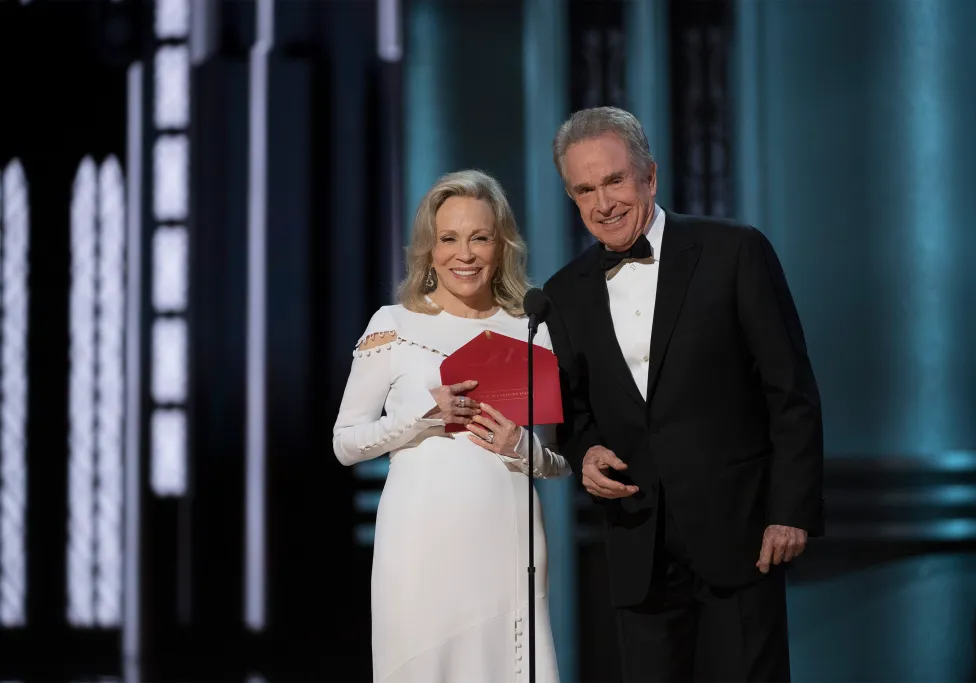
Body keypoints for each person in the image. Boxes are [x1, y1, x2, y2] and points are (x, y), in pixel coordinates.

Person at [542, 106, 824, 682]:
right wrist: (587, 452)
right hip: (637, 545)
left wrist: (788, 512)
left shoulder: (734, 251)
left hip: (742, 538)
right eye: (584, 189)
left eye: (615, 180)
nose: (603, 204)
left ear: (650, 175)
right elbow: (575, 413)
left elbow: (789, 391)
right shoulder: (563, 293)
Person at [332, 169, 569, 683]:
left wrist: (521, 446)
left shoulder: (531, 327)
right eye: (449, 239)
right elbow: (345, 443)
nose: (465, 254)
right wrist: (422, 415)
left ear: (501, 245)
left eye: (480, 237)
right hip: (417, 546)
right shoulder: (392, 324)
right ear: (429, 248)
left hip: (507, 542)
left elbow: (557, 460)